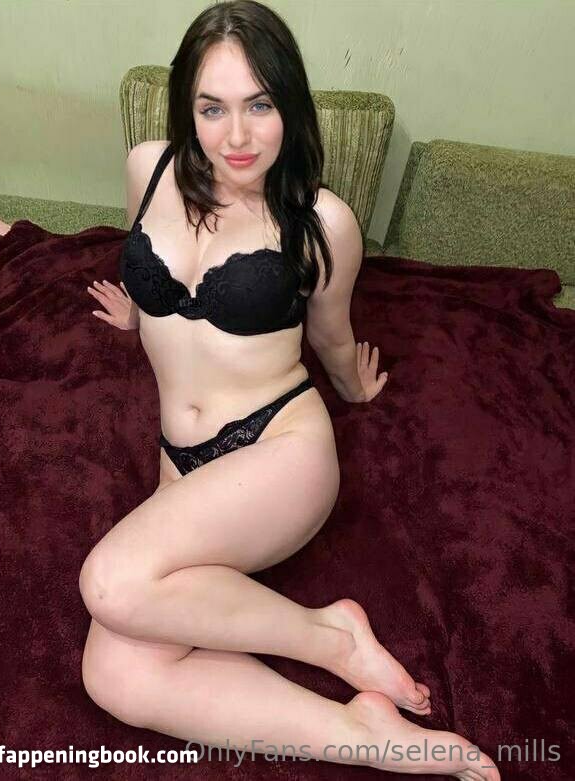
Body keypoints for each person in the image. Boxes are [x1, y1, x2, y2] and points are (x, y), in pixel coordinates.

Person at [77, 2, 500, 777]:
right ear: (186, 109)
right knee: (113, 672)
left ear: (290, 106)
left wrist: (354, 385)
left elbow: (331, 332)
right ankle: (362, 734)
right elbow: (149, 251)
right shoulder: (148, 166)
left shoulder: (321, 221)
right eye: (212, 108)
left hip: (277, 449)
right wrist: (138, 306)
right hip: (181, 463)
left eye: (260, 105)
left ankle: (330, 638)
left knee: (107, 581)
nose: (236, 136)